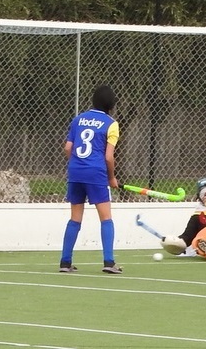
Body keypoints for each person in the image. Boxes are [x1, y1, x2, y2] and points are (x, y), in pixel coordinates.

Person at [60, 85, 122, 274]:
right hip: (96, 173)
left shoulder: (78, 120)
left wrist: (79, 165)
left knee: (75, 218)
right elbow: (108, 157)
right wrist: (111, 178)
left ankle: (65, 262)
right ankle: (109, 262)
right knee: (106, 218)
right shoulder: (111, 124)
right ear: (111, 105)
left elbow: (68, 148)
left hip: (75, 172)